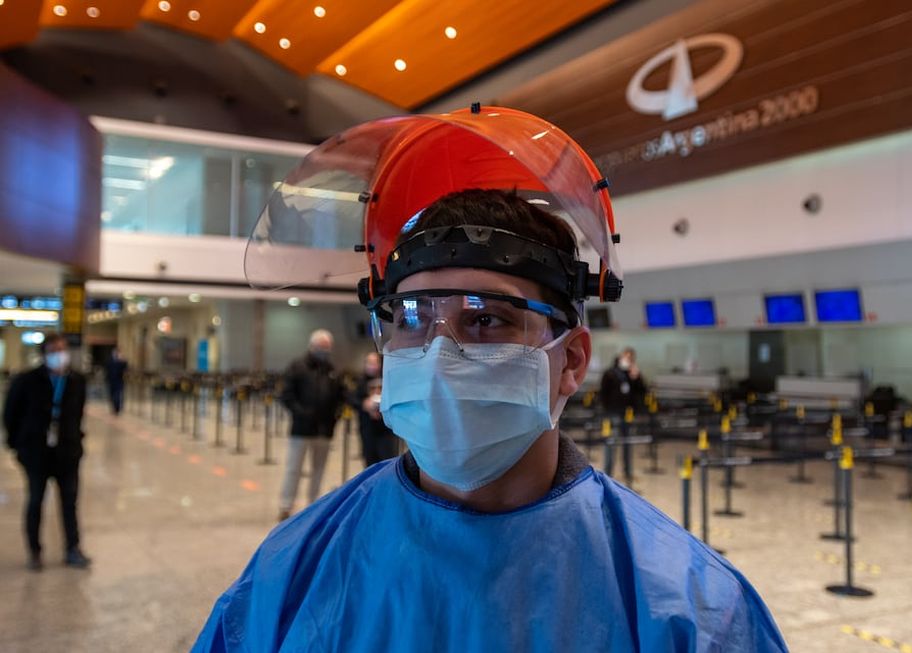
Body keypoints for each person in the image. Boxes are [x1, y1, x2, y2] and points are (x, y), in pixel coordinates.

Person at [194, 106, 787, 651]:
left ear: (572, 361)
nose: (438, 352)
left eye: (486, 319)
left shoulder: (685, 609)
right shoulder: (293, 568)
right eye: (411, 318)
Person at [3, 332, 91, 570]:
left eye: (62, 350)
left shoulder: (76, 381)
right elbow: (10, 415)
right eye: (54, 351)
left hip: (67, 453)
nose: (59, 356)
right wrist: (17, 445)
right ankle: (35, 550)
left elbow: (78, 415)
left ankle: (72, 548)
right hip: (36, 454)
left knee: (69, 502)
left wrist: (77, 443)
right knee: (35, 501)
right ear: (44, 354)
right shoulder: (27, 380)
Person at [276, 329, 345, 521]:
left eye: (327, 348)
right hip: (301, 429)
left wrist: (335, 416)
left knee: (319, 469)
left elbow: (341, 396)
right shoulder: (297, 367)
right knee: (294, 468)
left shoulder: (332, 370)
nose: (324, 351)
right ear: (312, 346)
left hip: (324, 430)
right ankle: (286, 505)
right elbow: (286, 396)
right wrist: (303, 414)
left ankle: (313, 504)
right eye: (321, 348)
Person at [599, 346, 648, 483]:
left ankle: (628, 471)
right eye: (626, 357)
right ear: (620, 357)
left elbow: (642, 391)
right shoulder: (610, 373)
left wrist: (637, 377)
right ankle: (607, 473)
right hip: (612, 414)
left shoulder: (631, 374)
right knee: (611, 444)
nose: (628, 360)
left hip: (628, 414)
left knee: (628, 445)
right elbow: (603, 393)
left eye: (631, 358)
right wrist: (606, 410)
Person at [352, 352, 398, 467]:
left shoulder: (388, 380)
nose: (371, 366)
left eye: (374, 362)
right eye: (369, 363)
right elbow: (352, 398)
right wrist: (364, 404)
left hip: (386, 430)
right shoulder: (359, 381)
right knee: (370, 462)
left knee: (388, 461)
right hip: (367, 428)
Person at [105, 347, 128, 415]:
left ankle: (117, 408)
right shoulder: (109, 360)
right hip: (111, 381)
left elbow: (126, 366)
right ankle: (114, 407)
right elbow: (107, 369)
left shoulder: (121, 361)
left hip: (119, 381)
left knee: (118, 395)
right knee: (112, 395)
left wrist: (121, 359)